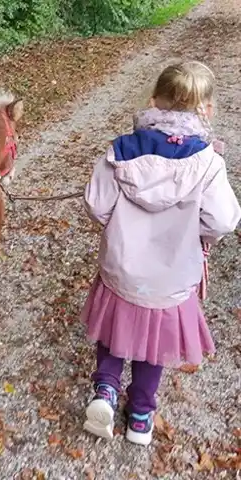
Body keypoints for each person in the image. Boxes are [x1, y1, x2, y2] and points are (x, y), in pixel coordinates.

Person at [81, 61, 240, 446]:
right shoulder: (208, 163)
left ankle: (105, 390)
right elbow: (223, 220)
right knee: (153, 345)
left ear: (154, 101)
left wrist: (119, 223)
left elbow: (96, 203)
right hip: (171, 276)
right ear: (208, 109)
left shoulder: (120, 152)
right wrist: (195, 233)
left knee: (114, 328)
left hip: (122, 267)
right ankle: (140, 416)